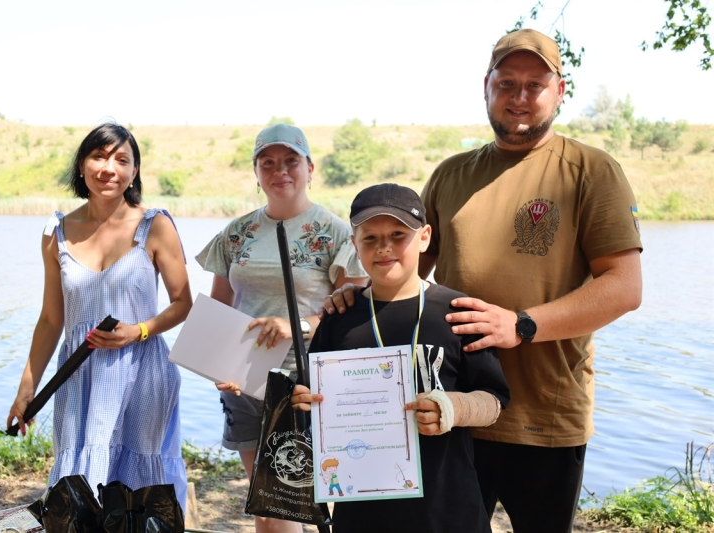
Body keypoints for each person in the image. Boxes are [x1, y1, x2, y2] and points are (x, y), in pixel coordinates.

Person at [324, 29, 643, 532]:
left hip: (545, 418)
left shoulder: (591, 171)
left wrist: (523, 325)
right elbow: (408, 270)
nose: (519, 97)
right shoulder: (451, 174)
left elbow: (624, 287)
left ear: (560, 91)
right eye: (507, 83)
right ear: (487, 86)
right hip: (448, 417)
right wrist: (358, 294)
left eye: (535, 85)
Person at [292, 183, 511, 533]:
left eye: (398, 234)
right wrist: (303, 403)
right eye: (370, 238)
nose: (384, 248)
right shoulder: (339, 317)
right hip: (362, 512)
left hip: (448, 508)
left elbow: (495, 402)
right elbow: (310, 401)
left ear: (424, 237)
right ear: (354, 245)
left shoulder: (459, 313)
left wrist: (453, 408)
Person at [7, 123, 193, 509]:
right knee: (80, 490)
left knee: (139, 495)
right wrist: (27, 389)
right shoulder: (56, 232)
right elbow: (50, 319)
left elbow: (183, 303)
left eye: (122, 160)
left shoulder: (154, 225)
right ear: (81, 165)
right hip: (80, 374)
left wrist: (138, 331)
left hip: (141, 370)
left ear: (134, 172)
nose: (110, 168)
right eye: (99, 156)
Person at [195, 123, 367, 533]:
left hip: (306, 382)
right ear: (256, 172)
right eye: (267, 162)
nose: (280, 171)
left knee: (300, 500)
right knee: (267, 506)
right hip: (245, 378)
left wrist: (299, 326)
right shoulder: (236, 233)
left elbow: (355, 312)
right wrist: (220, 365)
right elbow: (221, 307)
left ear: (310, 168)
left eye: (291, 160)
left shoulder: (335, 232)